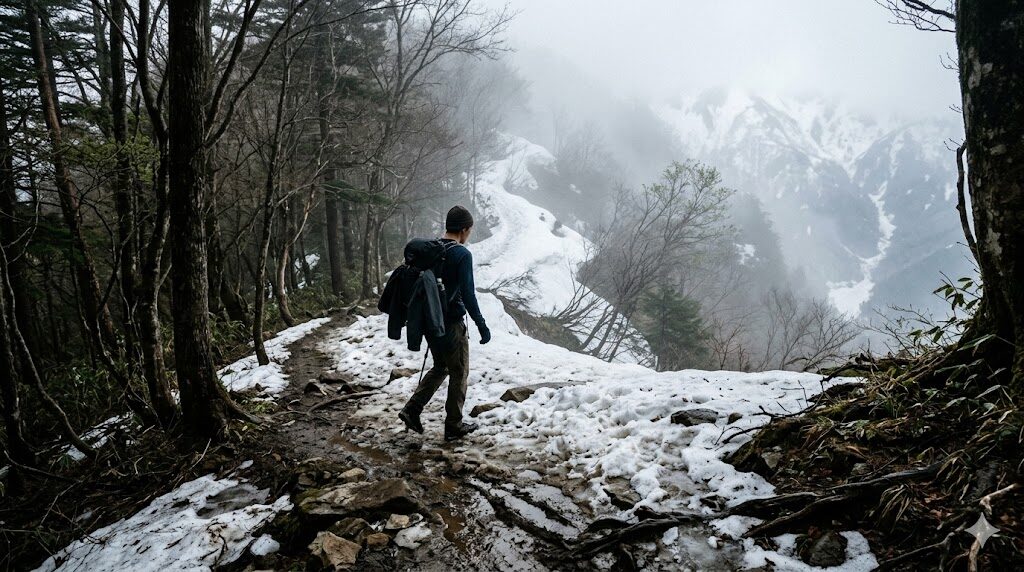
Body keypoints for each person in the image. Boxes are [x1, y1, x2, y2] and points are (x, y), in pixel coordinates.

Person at [399, 205, 491, 441]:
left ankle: (412, 409)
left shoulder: (431, 250)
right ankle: (453, 425)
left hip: (430, 321)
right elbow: (469, 295)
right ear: (464, 229)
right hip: (450, 323)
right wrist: (481, 324)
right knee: (459, 371)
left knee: (441, 367)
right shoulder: (461, 254)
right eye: (469, 230)